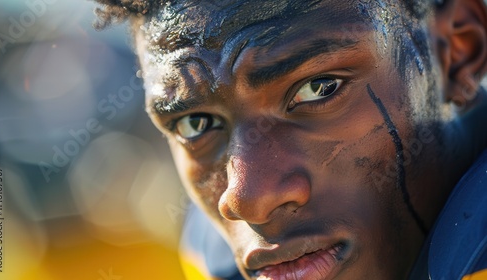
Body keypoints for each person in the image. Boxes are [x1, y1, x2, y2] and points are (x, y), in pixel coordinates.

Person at [92, 0, 487, 279]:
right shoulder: (208, 261)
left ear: (457, 51)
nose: (246, 200)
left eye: (319, 88)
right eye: (195, 123)